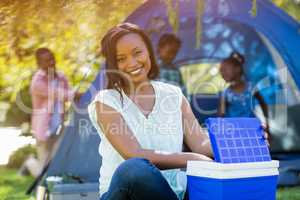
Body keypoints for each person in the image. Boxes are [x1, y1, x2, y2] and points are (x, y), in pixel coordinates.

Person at [88, 23, 213, 200]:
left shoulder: (173, 95)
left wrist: (243, 140)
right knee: (133, 169)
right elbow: (133, 154)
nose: (132, 62)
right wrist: (193, 158)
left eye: (137, 52)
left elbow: (201, 144)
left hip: (171, 193)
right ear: (112, 64)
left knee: (209, 184)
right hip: (124, 195)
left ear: (149, 52)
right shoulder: (106, 101)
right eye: (121, 58)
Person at [19, 48, 80, 177]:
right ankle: (30, 163)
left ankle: (52, 192)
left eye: (52, 58)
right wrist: (74, 94)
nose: (52, 62)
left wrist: (76, 97)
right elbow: (59, 94)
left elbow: (68, 93)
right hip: (43, 129)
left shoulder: (61, 77)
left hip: (59, 126)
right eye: (47, 60)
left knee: (57, 164)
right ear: (39, 64)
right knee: (43, 173)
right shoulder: (37, 82)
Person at [218, 51, 270, 135]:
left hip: (252, 129)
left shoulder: (251, 87)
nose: (222, 73)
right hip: (233, 131)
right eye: (220, 71)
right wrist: (221, 132)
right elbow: (221, 115)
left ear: (238, 69)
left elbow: (263, 104)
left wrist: (267, 125)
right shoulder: (226, 93)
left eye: (224, 70)